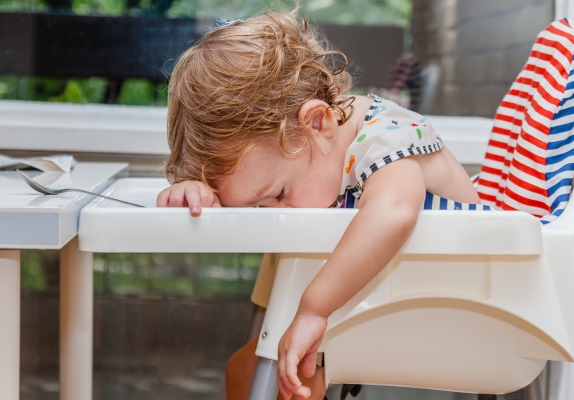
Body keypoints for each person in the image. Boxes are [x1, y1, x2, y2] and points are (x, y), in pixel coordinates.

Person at [156, 11, 480, 400]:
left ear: (318, 123)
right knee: (243, 373)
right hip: (383, 302)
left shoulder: (389, 136)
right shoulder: (314, 152)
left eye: (276, 195)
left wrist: (314, 309)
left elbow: (393, 214)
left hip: (455, 309)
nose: (278, 210)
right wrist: (200, 190)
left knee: (290, 377)